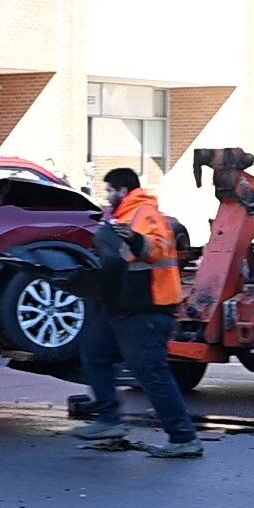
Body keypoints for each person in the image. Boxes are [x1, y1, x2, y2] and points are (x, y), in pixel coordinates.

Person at [68, 167, 201, 458]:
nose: (108, 196)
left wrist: (134, 240)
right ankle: (109, 420)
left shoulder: (145, 214)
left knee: (151, 374)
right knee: (94, 354)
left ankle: (183, 438)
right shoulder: (121, 219)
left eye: (110, 191)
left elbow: (158, 247)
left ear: (123, 191)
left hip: (148, 310)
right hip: (124, 308)